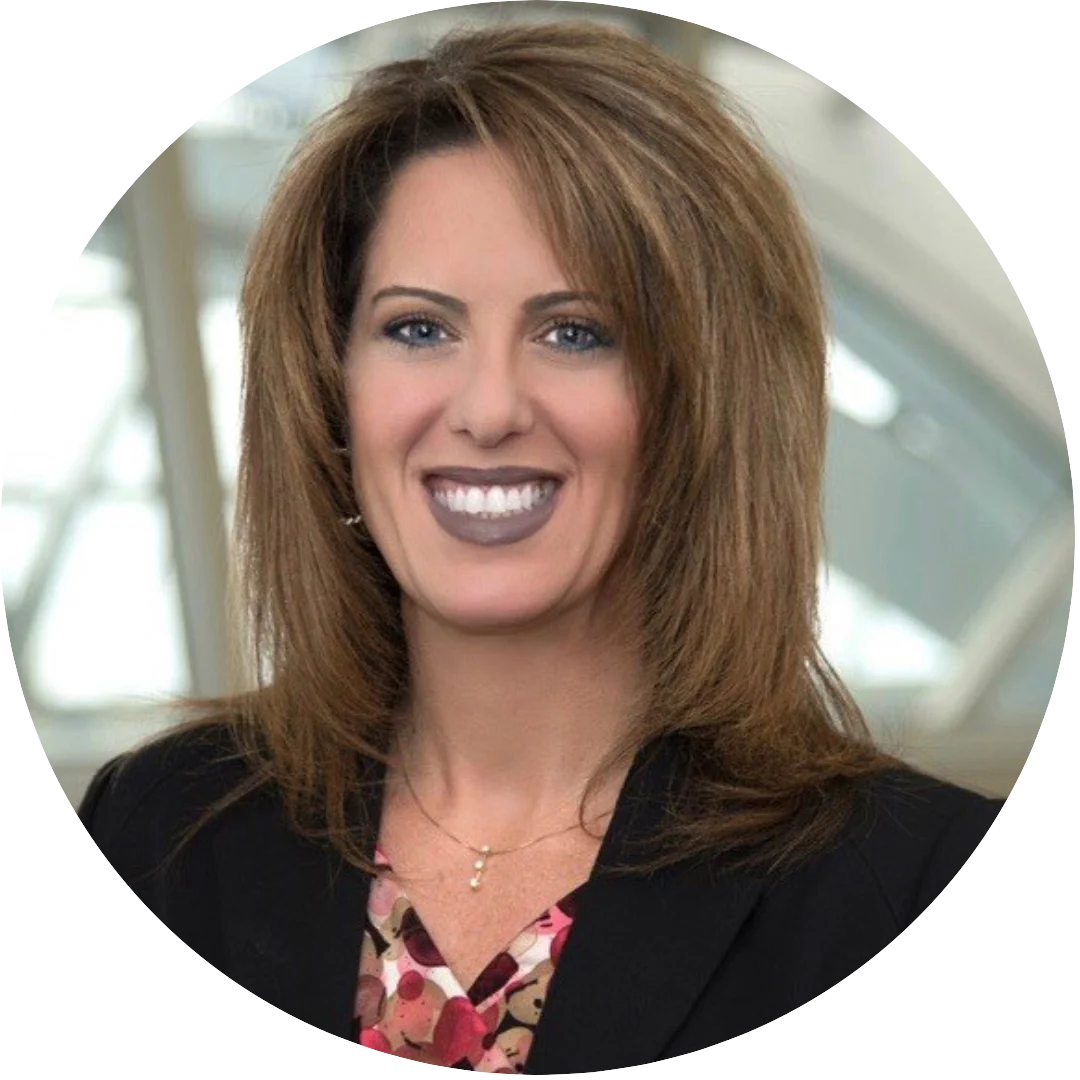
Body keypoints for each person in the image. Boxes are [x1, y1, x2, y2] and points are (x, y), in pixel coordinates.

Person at [76, 19, 1006, 1072]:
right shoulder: (162, 831)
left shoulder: (909, 886)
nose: (486, 409)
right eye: (418, 328)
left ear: (699, 401)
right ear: (333, 392)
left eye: (576, 333)